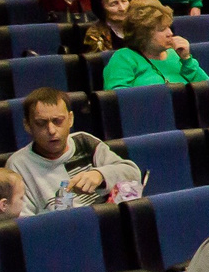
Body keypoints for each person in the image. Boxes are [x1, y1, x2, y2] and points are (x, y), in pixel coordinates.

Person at [8, 87, 146, 214]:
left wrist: (100, 175)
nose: (51, 130)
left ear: (70, 119)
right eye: (41, 123)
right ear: (27, 125)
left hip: (105, 221)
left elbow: (133, 174)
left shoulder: (84, 142)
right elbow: (24, 221)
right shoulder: (18, 165)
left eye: (58, 121)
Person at [103, 0, 209, 89]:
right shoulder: (123, 58)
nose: (170, 33)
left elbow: (208, 91)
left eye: (169, 27)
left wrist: (187, 60)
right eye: (162, 29)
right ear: (143, 34)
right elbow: (119, 100)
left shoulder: (176, 55)